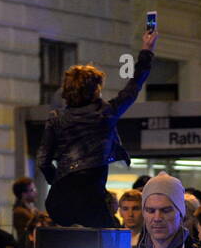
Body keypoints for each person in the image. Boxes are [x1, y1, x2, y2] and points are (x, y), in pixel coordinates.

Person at [37, 30, 155, 227]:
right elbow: (133, 88)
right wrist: (147, 50)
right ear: (95, 89)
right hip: (91, 197)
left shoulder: (56, 118)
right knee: (112, 240)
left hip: (59, 200)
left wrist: (57, 181)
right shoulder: (105, 113)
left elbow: (43, 161)